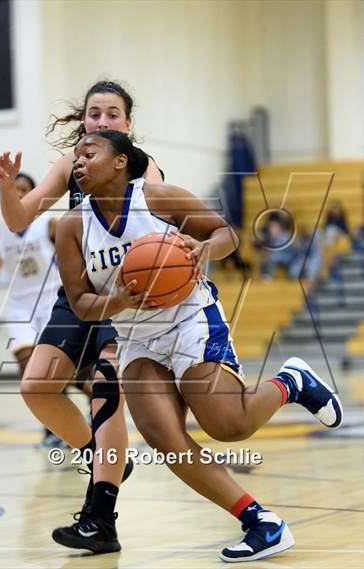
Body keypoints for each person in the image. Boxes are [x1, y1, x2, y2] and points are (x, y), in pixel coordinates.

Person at [55, 129, 344, 563]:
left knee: (229, 427)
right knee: (163, 437)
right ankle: (260, 522)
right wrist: (116, 301)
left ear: (120, 161)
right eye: (74, 156)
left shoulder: (158, 198)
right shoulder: (71, 228)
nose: (77, 162)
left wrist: (203, 247)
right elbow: (79, 302)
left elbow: (226, 234)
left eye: (88, 153)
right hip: (136, 337)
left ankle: (291, 381)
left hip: (189, 320)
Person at [0, 80, 164, 553]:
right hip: (79, 291)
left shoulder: (143, 167)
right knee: (36, 388)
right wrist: (8, 189)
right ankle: (104, 457)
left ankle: (99, 516)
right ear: (83, 120)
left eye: (112, 114)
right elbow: (18, 218)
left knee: (105, 393)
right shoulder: (72, 164)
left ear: (127, 124)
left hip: (124, 292)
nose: (102, 122)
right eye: (94, 114)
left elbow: (170, 226)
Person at [0, 173, 64, 444]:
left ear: (32, 195)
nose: (17, 193)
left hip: (51, 302)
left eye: (24, 189)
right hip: (20, 306)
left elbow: (74, 254)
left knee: (63, 371)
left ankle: (76, 422)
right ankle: (52, 428)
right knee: (29, 370)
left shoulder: (48, 224)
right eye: (13, 189)